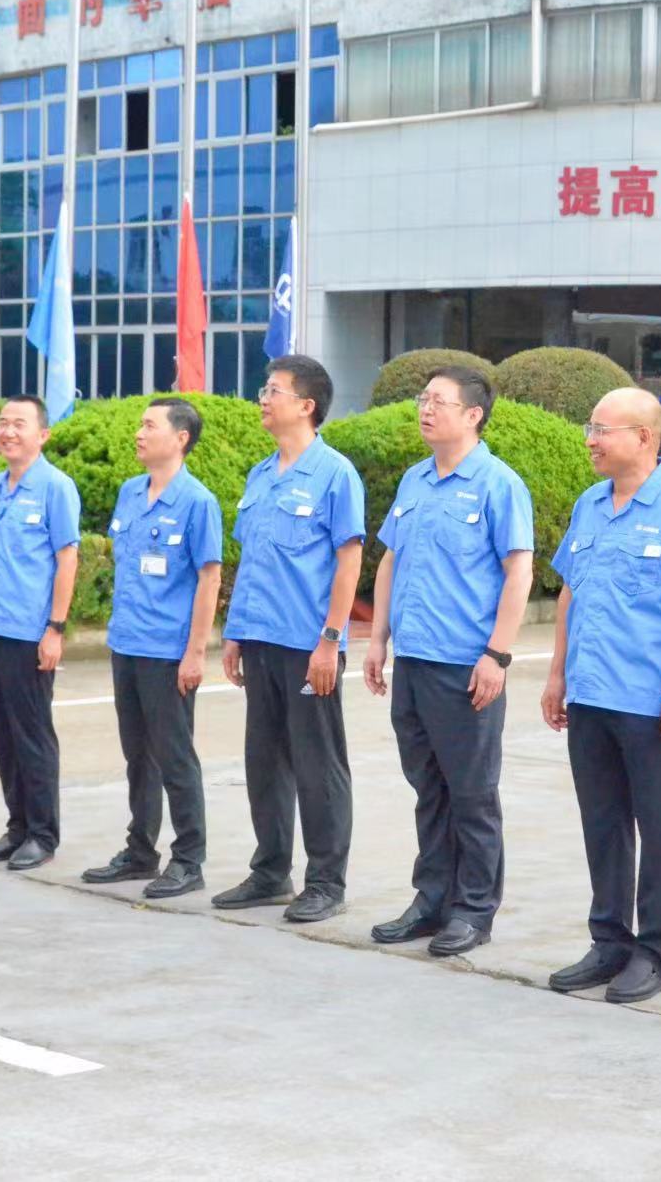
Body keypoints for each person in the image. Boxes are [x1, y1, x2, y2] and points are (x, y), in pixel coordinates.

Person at [541, 386, 661, 1004]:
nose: (590, 440)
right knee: (603, 824)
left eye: (602, 429)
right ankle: (609, 941)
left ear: (643, 437)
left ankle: (655, 951)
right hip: (591, 694)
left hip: (650, 701)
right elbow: (570, 592)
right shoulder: (590, 504)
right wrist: (558, 675)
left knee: (659, 828)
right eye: (590, 428)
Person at [362, 368, 533, 958]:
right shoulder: (415, 479)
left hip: (465, 665)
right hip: (413, 659)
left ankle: (474, 909)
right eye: (423, 399)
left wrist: (497, 654)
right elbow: (390, 560)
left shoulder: (497, 483)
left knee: (472, 794)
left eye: (439, 401)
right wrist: (379, 639)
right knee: (428, 788)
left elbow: (518, 571)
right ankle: (431, 899)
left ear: (474, 415)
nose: (426, 409)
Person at [213, 355, 367, 924]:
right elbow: (252, 560)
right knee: (265, 760)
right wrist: (234, 634)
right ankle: (270, 871)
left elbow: (349, 560)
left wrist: (331, 639)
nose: (263, 398)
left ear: (306, 405)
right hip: (259, 639)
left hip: (308, 645)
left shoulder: (335, 473)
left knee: (317, 763)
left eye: (273, 390)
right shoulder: (260, 474)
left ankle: (326, 881)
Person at [81, 398, 224, 900]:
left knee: (174, 757)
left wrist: (195, 653)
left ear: (180, 438)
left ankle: (189, 859)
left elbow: (209, 578)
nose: (139, 433)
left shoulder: (197, 501)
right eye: (140, 425)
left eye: (149, 425)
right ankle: (140, 850)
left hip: (168, 650)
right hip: (127, 642)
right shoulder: (130, 492)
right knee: (138, 756)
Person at [0, 395, 82, 873]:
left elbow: (67, 558)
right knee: (2, 734)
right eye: (2, 423)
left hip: (29, 632)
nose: (7, 432)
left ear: (43, 435)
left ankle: (42, 834)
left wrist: (55, 628)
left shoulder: (55, 487)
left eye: (19, 424)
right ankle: (16, 827)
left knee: (32, 736)